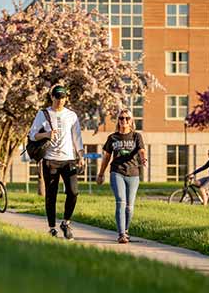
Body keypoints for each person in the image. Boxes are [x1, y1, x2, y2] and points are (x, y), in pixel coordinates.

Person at [29, 85, 84, 240]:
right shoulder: (43, 114)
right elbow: (32, 135)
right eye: (58, 96)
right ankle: (52, 228)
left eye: (63, 97)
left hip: (68, 160)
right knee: (51, 195)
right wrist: (46, 134)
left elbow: (77, 137)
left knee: (73, 192)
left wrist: (81, 156)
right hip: (50, 160)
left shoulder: (71, 115)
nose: (60, 100)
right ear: (52, 97)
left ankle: (66, 223)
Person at [96, 108, 146, 244]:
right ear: (118, 120)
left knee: (130, 206)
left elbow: (141, 150)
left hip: (133, 174)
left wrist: (143, 158)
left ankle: (126, 230)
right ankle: (121, 234)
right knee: (121, 202)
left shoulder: (136, 136)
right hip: (117, 172)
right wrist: (101, 174)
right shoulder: (112, 138)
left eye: (127, 118)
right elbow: (106, 157)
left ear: (131, 121)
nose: (124, 120)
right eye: (121, 118)